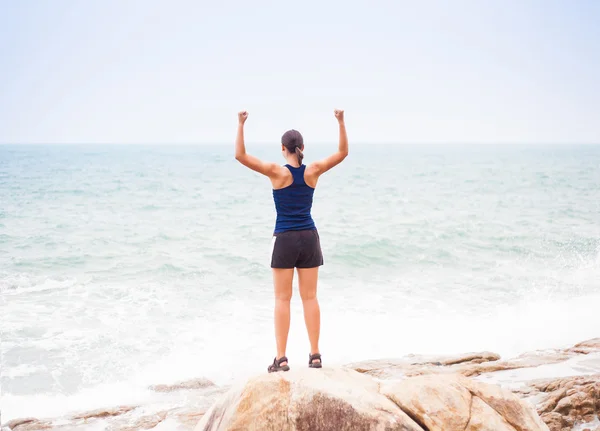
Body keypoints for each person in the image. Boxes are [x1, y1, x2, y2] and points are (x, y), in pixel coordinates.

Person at [234, 109, 348, 372]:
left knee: (282, 299)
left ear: (283, 148)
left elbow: (240, 155)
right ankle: (316, 355)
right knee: (310, 298)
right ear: (303, 147)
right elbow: (342, 153)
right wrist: (341, 122)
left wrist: (240, 124)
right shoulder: (314, 171)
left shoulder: (277, 173)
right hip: (309, 237)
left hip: (284, 238)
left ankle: (282, 358)